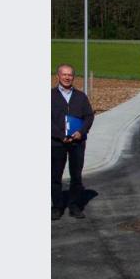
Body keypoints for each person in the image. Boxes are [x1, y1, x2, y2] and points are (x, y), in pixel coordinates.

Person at [51, 64, 94, 220]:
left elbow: (89, 116)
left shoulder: (81, 97)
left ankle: (74, 206)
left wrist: (81, 132)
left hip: (77, 142)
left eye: (70, 75)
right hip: (57, 143)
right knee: (55, 175)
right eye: (64, 74)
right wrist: (59, 135)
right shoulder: (50, 96)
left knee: (76, 175)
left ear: (73, 77)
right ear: (58, 76)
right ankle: (57, 207)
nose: (67, 77)